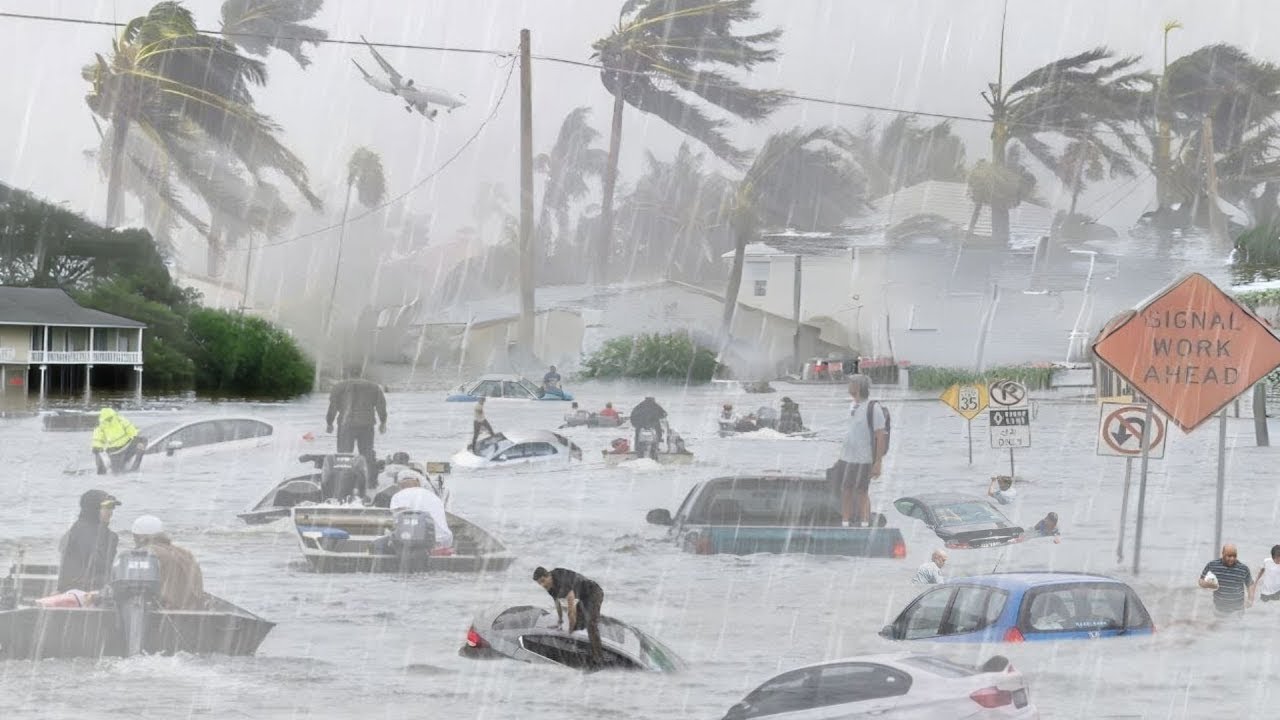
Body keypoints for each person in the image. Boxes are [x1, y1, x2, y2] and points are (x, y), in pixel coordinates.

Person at [832, 375, 888, 527]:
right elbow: (850, 433)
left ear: (859, 387)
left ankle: (864, 523)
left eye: (851, 383)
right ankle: (845, 522)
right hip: (847, 457)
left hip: (864, 458)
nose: (848, 386)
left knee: (862, 491)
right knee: (845, 489)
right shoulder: (852, 405)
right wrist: (840, 457)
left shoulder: (873, 408)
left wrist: (878, 462)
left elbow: (880, 436)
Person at [326, 367, 388, 487]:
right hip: (367, 424)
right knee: (366, 454)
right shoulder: (373, 387)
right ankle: (369, 483)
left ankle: (343, 482)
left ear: (347, 373)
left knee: (344, 454)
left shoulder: (339, 386)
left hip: (346, 424)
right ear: (361, 373)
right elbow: (381, 406)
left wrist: (329, 423)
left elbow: (332, 407)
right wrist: (383, 422)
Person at [130, 515, 205, 610]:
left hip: (168, 610)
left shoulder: (148, 553)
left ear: (139, 537)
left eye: (134, 537)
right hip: (194, 609)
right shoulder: (185, 553)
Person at [534, 566, 604, 661]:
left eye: (543, 581)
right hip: (584, 598)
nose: (542, 585)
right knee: (578, 625)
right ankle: (594, 620)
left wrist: (569, 633)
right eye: (539, 583)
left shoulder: (561, 581)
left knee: (591, 625)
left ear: (549, 576)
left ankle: (598, 658)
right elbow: (557, 603)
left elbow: (571, 611)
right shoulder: (550, 586)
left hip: (594, 592)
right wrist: (560, 621)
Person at [57, 490, 121, 593]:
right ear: (93, 509)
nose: (111, 512)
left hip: (88, 590)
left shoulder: (78, 529)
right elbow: (96, 567)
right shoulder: (83, 533)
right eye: (107, 507)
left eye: (112, 507)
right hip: (82, 592)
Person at [388, 471, 453, 550]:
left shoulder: (399, 495)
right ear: (418, 482)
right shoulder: (434, 497)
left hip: (419, 542)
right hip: (443, 540)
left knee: (381, 544)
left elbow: (398, 521)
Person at [1200, 543, 1254, 616]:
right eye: (1229, 556)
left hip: (1237, 612)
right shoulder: (1212, 565)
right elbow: (1201, 581)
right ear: (1223, 554)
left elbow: (1250, 584)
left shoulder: (1243, 569)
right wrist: (1207, 584)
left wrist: (1250, 600)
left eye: (1234, 556)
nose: (1232, 558)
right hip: (1218, 610)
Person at [91, 408, 145, 474]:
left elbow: (131, 430)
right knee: (117, 472)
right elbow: (98, 438)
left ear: (113, 416)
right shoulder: (101, 426)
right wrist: (96, 446)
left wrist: (137, 439)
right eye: (107, 419)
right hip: (115, 451)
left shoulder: (121, 420)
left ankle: (134, 468)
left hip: (127, 445)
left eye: (110, 418)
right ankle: (114, 467)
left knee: (143, 441)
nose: (109, 420)